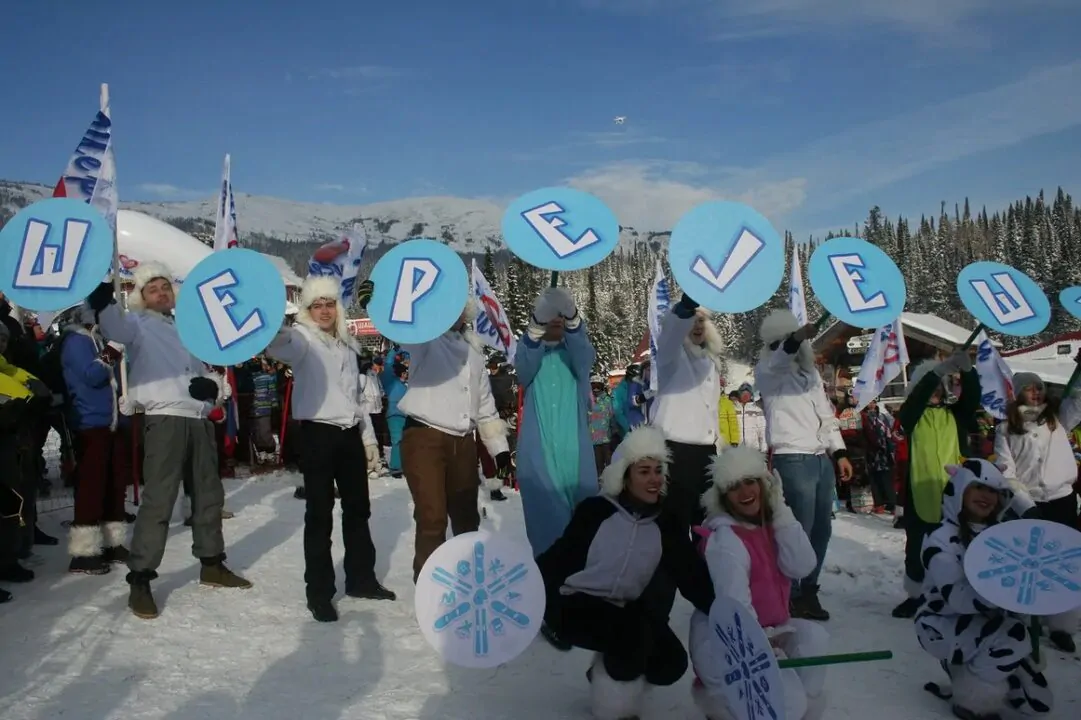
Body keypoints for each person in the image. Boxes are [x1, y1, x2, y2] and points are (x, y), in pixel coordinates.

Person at [87, 265, 250, 620]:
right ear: (141, 297)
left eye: (165, 287)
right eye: (153, 289)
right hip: (164, 419)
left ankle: (212, 562)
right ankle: (140, 578)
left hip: (198, 418)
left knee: (208, 496)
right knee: (159, 500)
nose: (161, 293)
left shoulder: (186, 329)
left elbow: (203, 371)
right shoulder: (137, 325)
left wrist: (212, 388)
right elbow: (115, 326)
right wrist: (102, 300)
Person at [536, 425, 715, 720]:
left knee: (670, 663)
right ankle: (615, 709)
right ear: (625, 475)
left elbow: (690, 575)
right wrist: (533, 597)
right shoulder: (596, 512)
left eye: (658, 471)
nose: (654, 479)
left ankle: (605, 669)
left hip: (623, 609)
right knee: (632, 638)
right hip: (575, 604)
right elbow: (558, 559)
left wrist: (721, 608)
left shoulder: (665, 523)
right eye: (644, 471)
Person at [266, 277, 394, 621]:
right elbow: (279, 346)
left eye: (329, 304)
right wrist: (273, 321)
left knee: (358, 510)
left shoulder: (347, 345)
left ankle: (361, 579)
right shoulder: (302, 339)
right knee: (319, 515)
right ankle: (319, 592)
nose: (324, 311)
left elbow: (356, 398)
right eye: (316, 305)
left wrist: (368, 439)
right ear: (307, 311)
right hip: (318, 435)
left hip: (349, 433)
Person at [691, 446, 828, 720]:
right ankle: (728, 706)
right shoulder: (726, 539)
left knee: (815, 639)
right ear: (723, 497)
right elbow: (737, 610)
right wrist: (764, 648)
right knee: (788, 704)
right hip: (728, 642)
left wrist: (780, 510)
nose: (745, 492)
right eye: (734, 487)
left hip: (770, 629)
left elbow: (802, 565)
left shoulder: (769, 525)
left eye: (750, 482)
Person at [914, 459, 1052, 720]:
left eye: (993, 490)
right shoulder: (939, 537)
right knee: (1014, 637)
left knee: (1038, 703)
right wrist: (1007, 590)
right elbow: (958, 598)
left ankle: (977, 667)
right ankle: (972, 700)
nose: (986, 496)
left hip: (989, 622)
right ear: (960, 488)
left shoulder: (1001, 535)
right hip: (941, 623)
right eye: (978, 487)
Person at [395, 299, 510, 582]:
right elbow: (401, 331)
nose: (454, 313)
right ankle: (429, 586)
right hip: (424, 436)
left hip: (463, 442)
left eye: (459, 307)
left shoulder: (474, 352)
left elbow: (484, 404)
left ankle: (467, 583)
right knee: (432, 516)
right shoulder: (426, 339)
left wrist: (500, 450)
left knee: (467, 518)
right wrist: (376, 304)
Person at [754, 310, 853, 621]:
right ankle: (791, 591)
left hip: (819, 457)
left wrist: (839, 453)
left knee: (822, 530)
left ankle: (808, 588)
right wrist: (794, 338)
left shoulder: (810, 376)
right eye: (780, 341)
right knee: (797, 529)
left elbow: (826, 415)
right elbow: (781, 358)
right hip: (791, 457)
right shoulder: (769, 371)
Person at [993, 367, 1081, 652]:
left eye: (1039, 387)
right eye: (1029, 388)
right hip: (1028, 505)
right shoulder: (1006, 428)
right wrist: (1024, 504)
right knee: (1029, 566)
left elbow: (1078, 398)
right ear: (1017, 393)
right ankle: (1026, 619)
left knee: (1062, 565)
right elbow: (1006, 471)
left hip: (1062, 500)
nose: (1036, 392)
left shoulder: (1057, 419)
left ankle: (1061, 625)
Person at [892, 352, 980, 619]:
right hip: (919, 493)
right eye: (931, 387)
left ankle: (957, 594)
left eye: (940, 388)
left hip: (954, 496)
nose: (936, 393)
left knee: (955, 547)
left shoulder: (955, 414)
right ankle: (916, 595)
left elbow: (972, 399)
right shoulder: (911, 417)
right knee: (916, 548)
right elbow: (915, 402)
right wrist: (936, 372)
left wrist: (968, 372)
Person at [59, 306, 130, 574]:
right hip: (91, 423)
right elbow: (92, 375)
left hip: (109, 421)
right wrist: (110, 353)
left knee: (114, 483)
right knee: (92, 487)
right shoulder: (76, 341)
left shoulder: (94, 339)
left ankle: (113, 542)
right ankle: (84, 551)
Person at [860, 398, 897, 514]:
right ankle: (879, 503)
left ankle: (892, 503)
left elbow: (891, 428)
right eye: (869, 402)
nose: (871, 404)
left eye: (873, 402)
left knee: (886, 478)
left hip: (884, 451)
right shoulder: (862, 415)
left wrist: (889, 447)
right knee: (874, 478)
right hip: (871, 452)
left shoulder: (883, 415)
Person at [588, 376, 614, 476]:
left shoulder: (607, 399)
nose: (596, 388)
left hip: (606, 437)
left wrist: (613, 430)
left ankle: (610, 481)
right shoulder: (587, 400)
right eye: (593, 385)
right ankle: (600, 482)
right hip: (593, 438)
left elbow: (612, 415)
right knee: (598, 464)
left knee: (609, 463)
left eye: (598, 385)